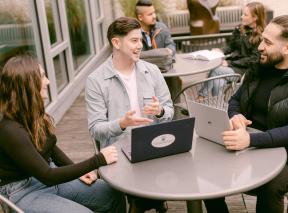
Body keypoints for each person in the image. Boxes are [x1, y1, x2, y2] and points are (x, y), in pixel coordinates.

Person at [204, 14, 288, 213]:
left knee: (271, 186)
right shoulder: (259, 66)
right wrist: (235, 115)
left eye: (267, 42)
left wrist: (250, 140)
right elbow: (235, 100)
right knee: (208, 166)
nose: (259, 47)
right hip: (250, 143)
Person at [0, 54, 126, 213]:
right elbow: (48, 176)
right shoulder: (9, 130)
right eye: (43, 76)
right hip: (23, 191)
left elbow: (50, 148)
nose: (48, 81)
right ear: (27, 84)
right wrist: (97, 160)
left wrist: (78, 170)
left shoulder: (31, 113)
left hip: (47, 176)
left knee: (111, 194)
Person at [85, 17, 174, 213]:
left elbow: (169, 110)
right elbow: (95, 130)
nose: (140, 46)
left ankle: (146, 200)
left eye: (140, 40)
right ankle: (145, 201)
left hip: (155, 147)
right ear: (116, 43)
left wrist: (160, 111)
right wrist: (122, 123)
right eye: (134, 40)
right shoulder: (96, 81)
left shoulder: (151, 71)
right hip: (120, 152)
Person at [198, 1, 266, 97]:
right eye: (242, 14)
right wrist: (221, 51)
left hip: (245, 72)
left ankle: (201, 96)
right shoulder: (239, 29)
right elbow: (231, 46)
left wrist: (229, 63)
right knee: (218, 81)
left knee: (216, 70)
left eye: (245, 15)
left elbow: (253, 59)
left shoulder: (261, 37)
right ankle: (219, 107)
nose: (241, 17)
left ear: (255, 18)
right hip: (233, 66)